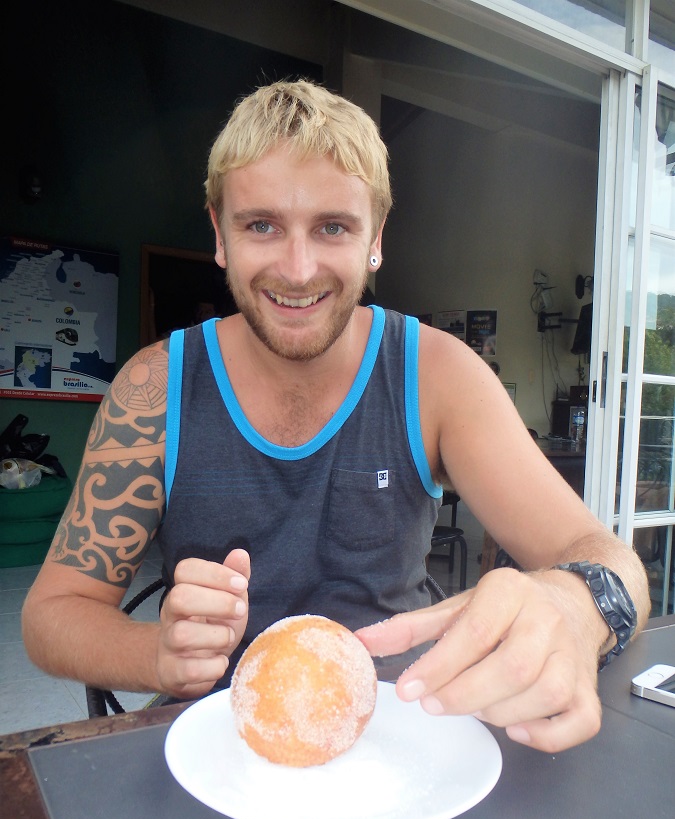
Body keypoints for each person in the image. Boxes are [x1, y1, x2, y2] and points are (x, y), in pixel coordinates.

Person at [22, 79, 649, 753]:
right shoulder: (155, 388)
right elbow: (51, 615)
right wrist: (157, 656)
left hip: (401, 734)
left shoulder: (438, 375)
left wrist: (574, 609)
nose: (297, 269)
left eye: (332, 227)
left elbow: (609, 560)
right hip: (223, 744)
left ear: (375, 238)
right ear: (220, 235)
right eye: (261, 224)